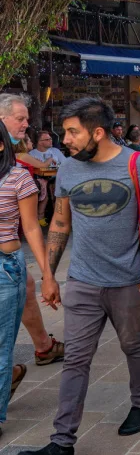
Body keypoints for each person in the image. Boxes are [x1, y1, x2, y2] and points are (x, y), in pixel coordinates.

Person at [17, 97, 140, 455]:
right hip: (83, 280)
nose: (64, 138)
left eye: (73, 132)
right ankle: (62, 442)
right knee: (75, 362)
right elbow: (59, 222)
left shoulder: (137, 164)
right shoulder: (68, 169)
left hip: (127, 279)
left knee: (132, 344)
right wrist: (50, 275)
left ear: (97, 132)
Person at [0, 121, 59, 437]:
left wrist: (48, 274)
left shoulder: (17, 177)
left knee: (0, 345)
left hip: (5, 268)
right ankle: (8, 378)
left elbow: (33, 228)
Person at [0, 95, 64, 367]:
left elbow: (30, 227)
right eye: (20, 118)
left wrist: (46, 274)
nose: (27, 123)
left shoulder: (15, 152)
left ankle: (43, 347)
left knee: (24, 286)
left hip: (10, 251)